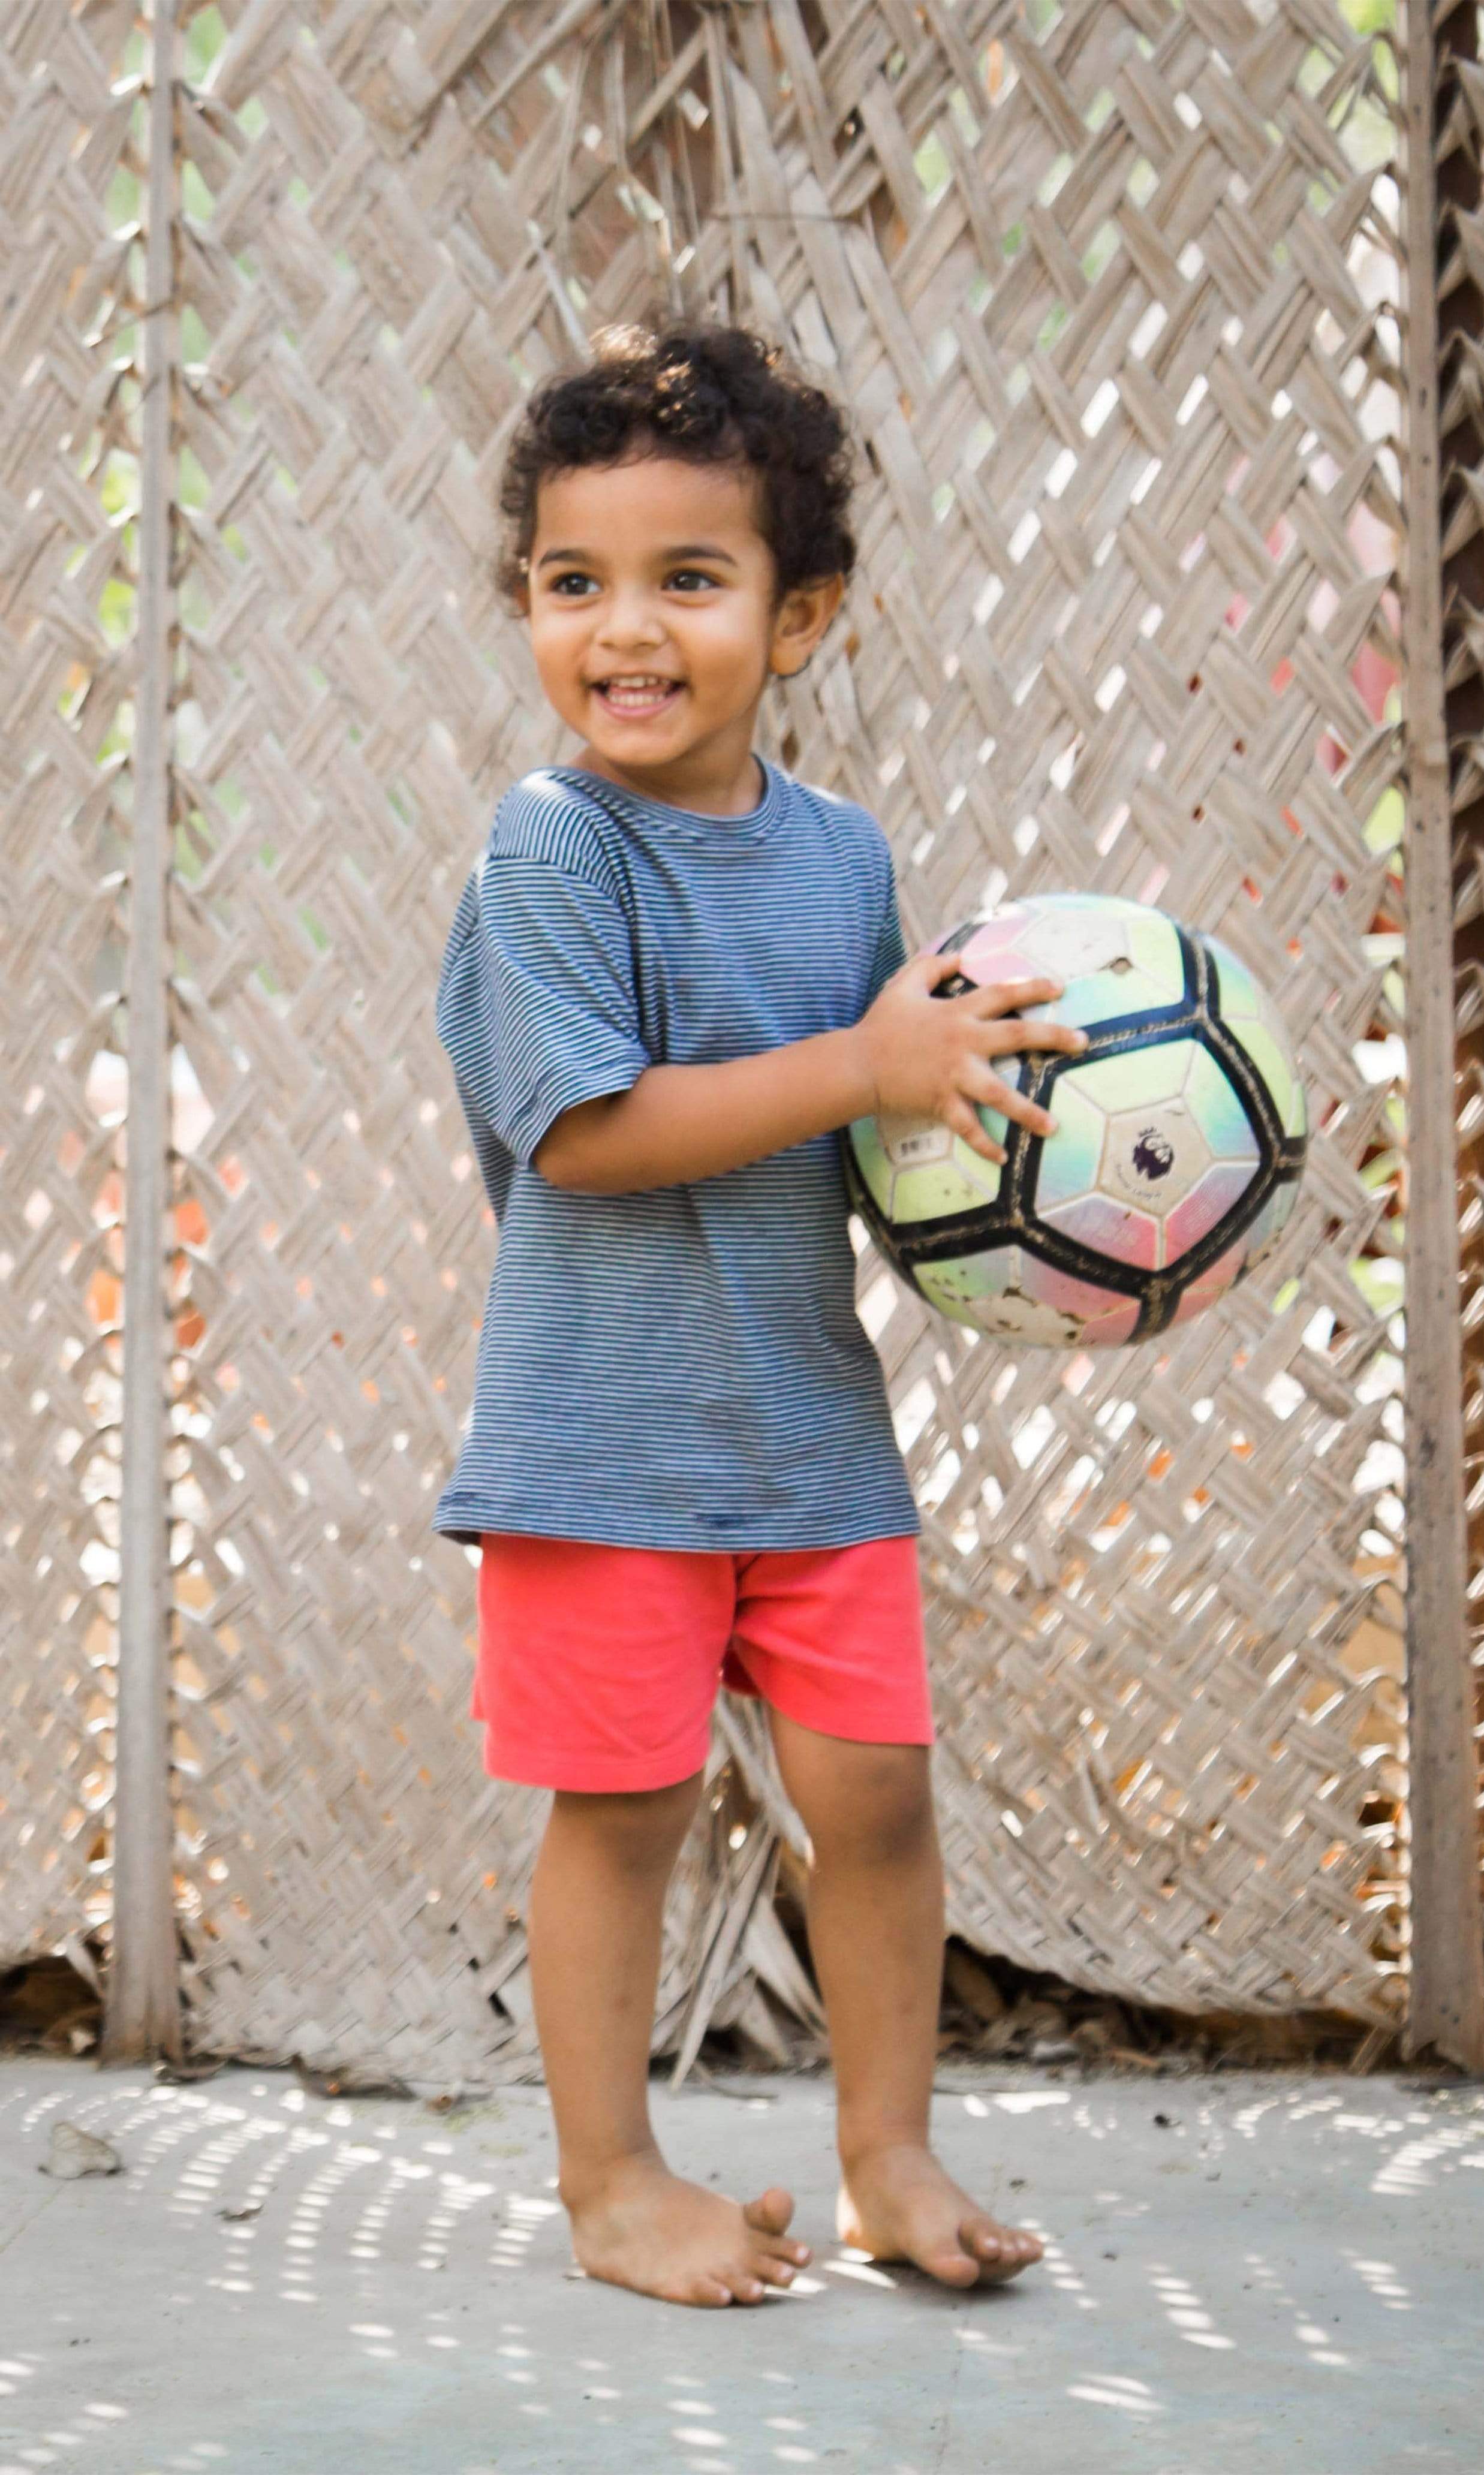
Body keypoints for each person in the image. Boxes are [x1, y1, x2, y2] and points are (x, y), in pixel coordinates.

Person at [432, 320, 1087, 2311]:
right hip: (602, 1437)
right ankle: (612, 2180)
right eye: (575, 584)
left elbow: (886, 1132)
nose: (624, 630)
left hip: (805, 1427)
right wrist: (872, 1070)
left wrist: (1023, 1208)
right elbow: (600, 1138)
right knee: (620, 1809)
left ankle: (887, 2152)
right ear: (531, 607)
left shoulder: (844, 865)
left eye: (688, 581)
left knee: (874, 1796)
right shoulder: (550, 849)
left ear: (800, 621)